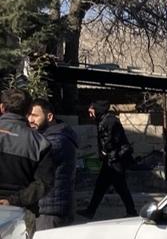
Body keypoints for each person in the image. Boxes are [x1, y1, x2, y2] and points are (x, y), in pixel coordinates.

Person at [0, 88, 53, 223]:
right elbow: (44, 183)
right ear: (28, 110)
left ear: (2, 107)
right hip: (19, 215)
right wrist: (13, 201)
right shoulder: (40, 143)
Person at [80, 101, 137, 220]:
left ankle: (132, 211)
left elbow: (112, 139)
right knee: (101, 186)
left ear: (97, 109)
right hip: (110, 159)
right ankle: (90, 211)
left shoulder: (110, 121)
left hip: (116, 159)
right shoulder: (103, 120)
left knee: (120, 187)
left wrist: (106, 150)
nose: (90, 115)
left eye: (91, 112)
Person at [28, 99, 79, 230]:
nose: (30, 119)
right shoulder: (48, 136)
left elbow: (32, 158)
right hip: (47, 208)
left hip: (51, 210)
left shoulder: (57, 140)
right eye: (28, 115)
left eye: (35, 116)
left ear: (49, 116)